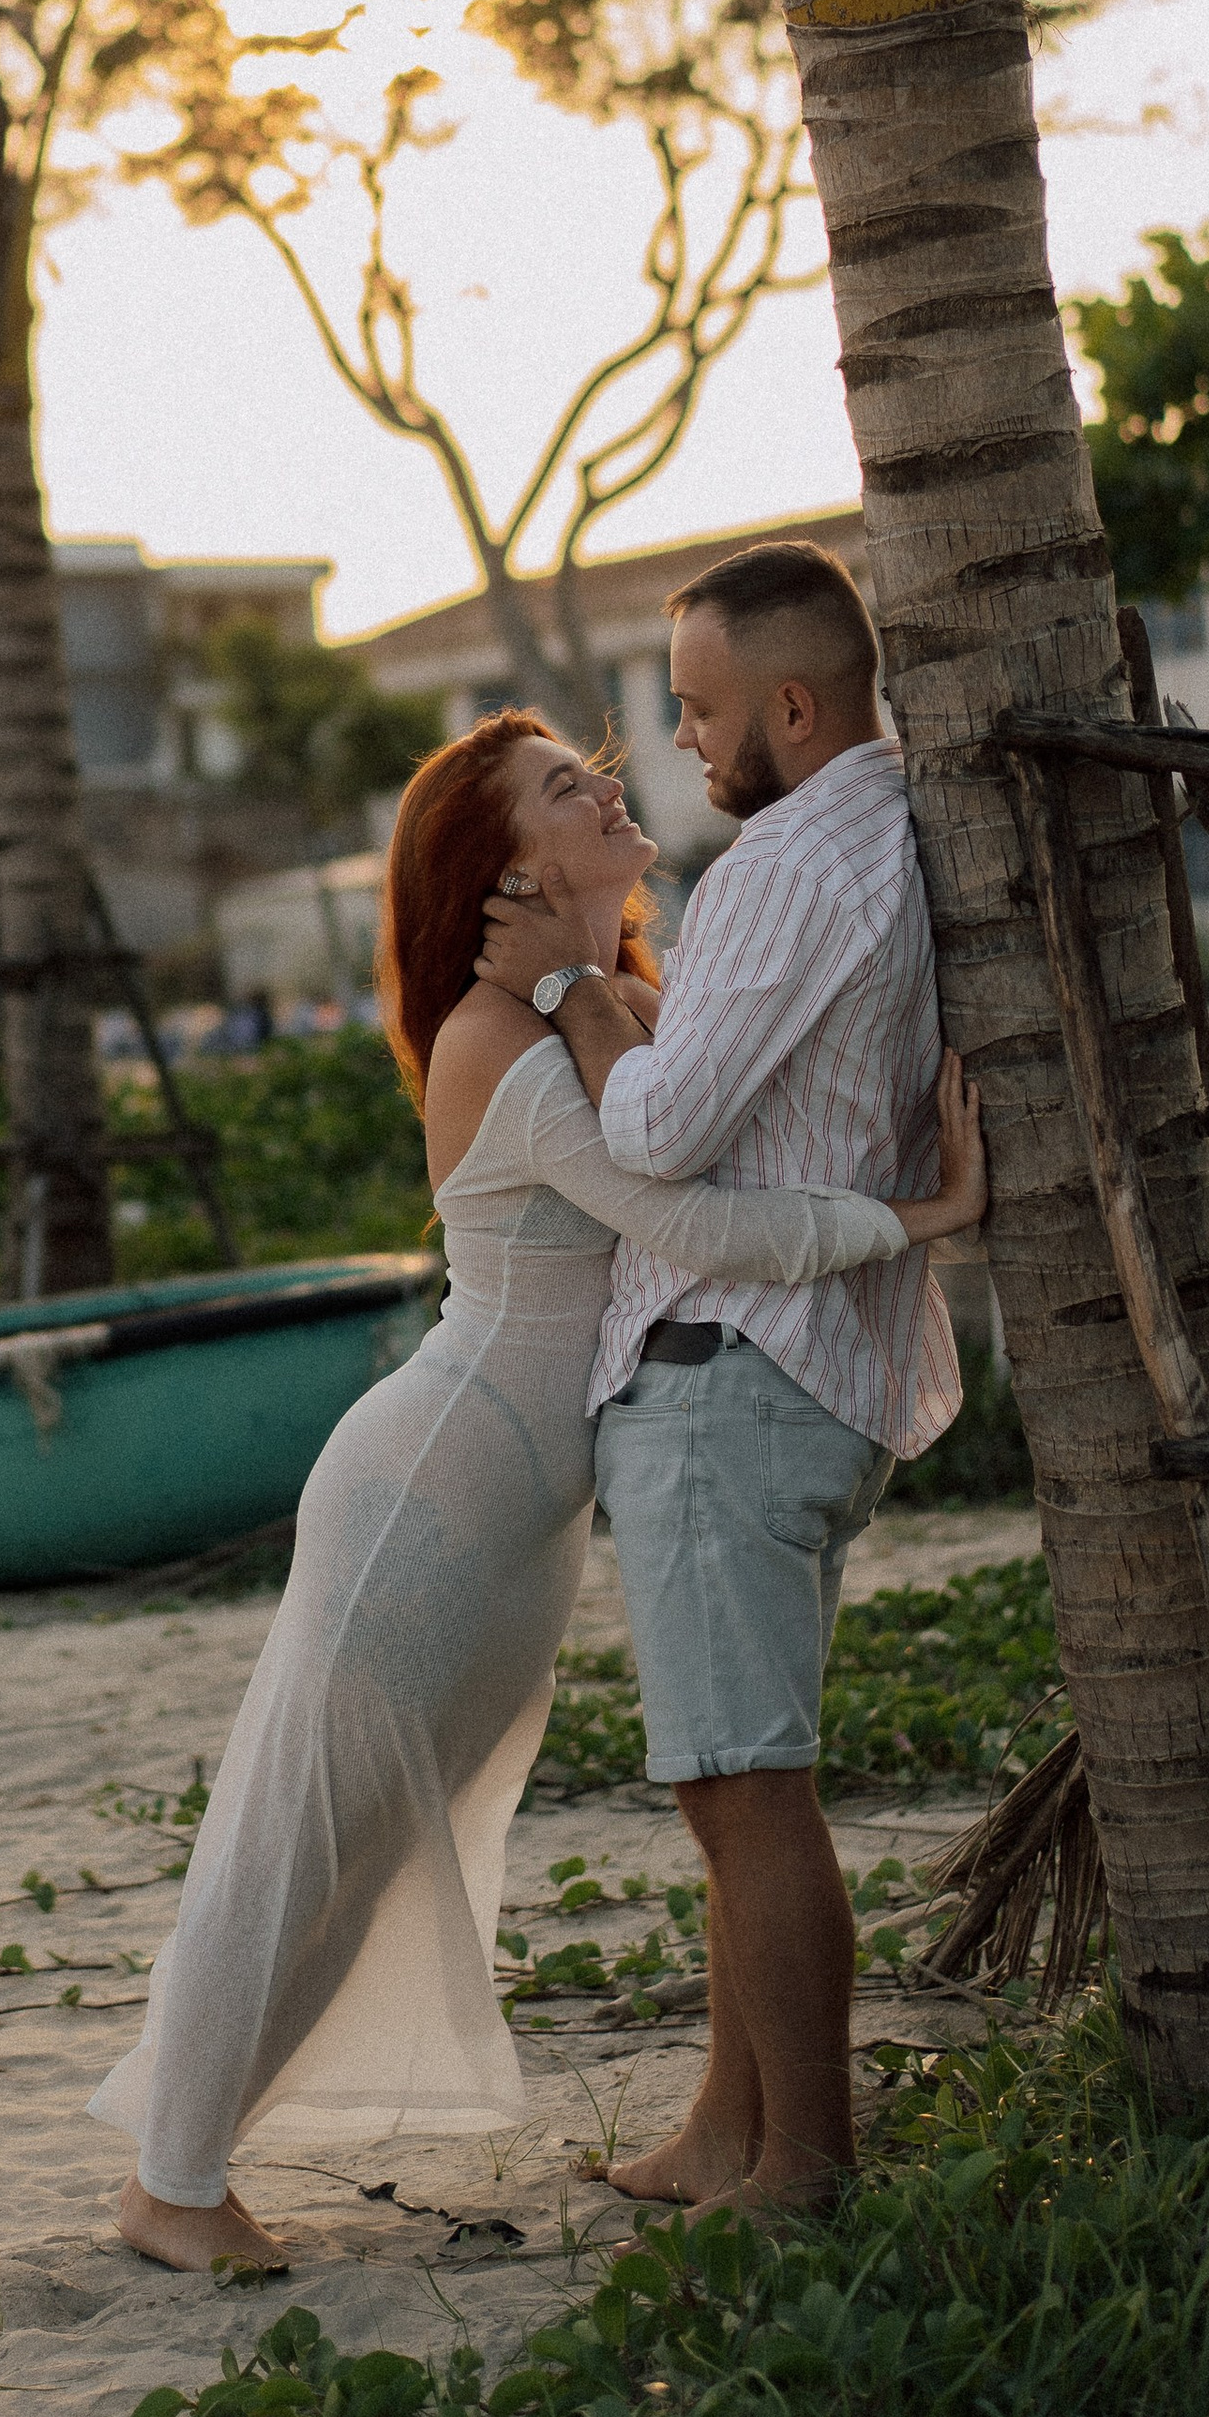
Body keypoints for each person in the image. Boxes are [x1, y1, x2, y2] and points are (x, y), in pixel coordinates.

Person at [87, 702, 984, 2269]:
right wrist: (923, 1217)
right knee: (301, 1829)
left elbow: (721, 1139)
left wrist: (591, 984)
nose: (611, 787)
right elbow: (689, 1223)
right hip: (431, 1480)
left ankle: (190, 2157)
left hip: (522, 1512)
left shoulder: (610, 1001)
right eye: (567, 787)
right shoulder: (494, 1040)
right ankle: (171, 2181)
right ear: (508, 867)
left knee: (377, 1839)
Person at [474, 539, 956, 2225]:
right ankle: (722, 2125)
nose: (679, 739)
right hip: (803, 1373)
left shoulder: (781, 868)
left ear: (793, 708)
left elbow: (665, 1128)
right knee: (732, 1787)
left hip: (729, 1375)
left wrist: (576, 995)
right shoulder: (885, 829)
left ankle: (806, 2164)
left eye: (697, 707)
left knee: (745, 1794)